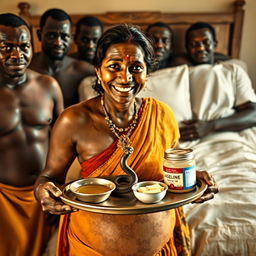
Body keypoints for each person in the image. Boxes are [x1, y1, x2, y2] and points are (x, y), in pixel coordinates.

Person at [34, 24, 218, 256]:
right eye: (114, 66)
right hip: (90, 247)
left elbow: (171, 170)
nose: (125, 77)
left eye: (136, 67)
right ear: (99, 72)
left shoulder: (161, 115)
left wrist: (193, 180)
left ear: (147, 73)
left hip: (160, 247)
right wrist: (43, 191)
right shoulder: (74, 120)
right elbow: (48, 177)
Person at [0, 13, 64, 256]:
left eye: (24, 46)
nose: (18, 55)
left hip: (46, 192)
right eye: (7, 47)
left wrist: (59, 191)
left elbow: (65, 144)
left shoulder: (48, 86)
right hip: (4, 200)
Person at [30, 8, 95, 108]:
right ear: (39, 35)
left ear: (71, 38)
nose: (58, 42)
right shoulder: (28, 67)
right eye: (51, 35)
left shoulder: (81, 69)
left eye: (64, 36)